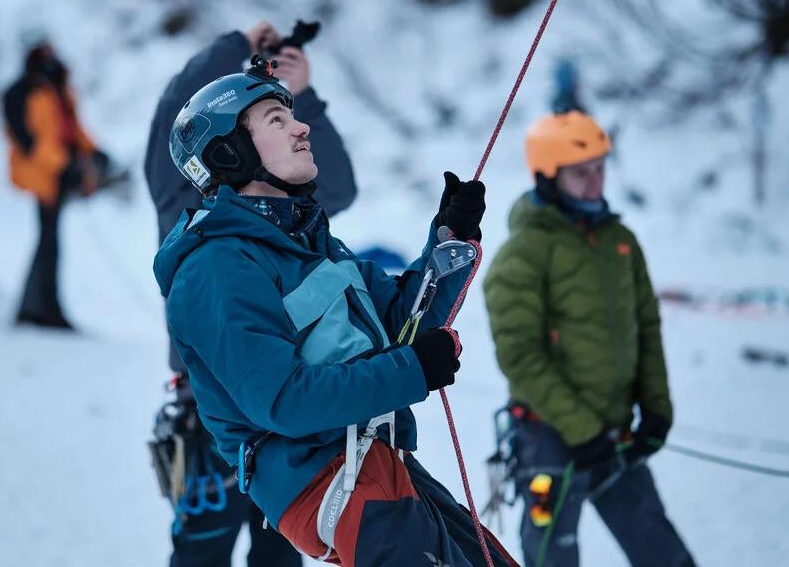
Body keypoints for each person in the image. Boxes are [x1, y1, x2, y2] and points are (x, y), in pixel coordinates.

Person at [151, 55, 517, 567]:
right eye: (276, 120)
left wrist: (450, 241)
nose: (302, 127)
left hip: (378, 459)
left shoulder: (313, 244)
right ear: (227, 154)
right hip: (323, 479)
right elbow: (283, 399)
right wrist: (413, 368)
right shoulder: (215, 268)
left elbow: (400, 325)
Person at [144, 20, 358, 567]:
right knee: (202, 551)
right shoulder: (184, 192)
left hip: (291, 419)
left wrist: (301, 96)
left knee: (279, 559)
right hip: (211, 415)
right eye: (273, 119)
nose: (293, 129)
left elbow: (337, 187)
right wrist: (237, 43)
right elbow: (178, 104)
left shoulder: (288, 202)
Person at [481, 108, 696, 567]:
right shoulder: (524, 251)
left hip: (614, 431)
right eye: (581, 173)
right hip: (546, 437)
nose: (596, 182)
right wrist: (580, 430)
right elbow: (518, 354)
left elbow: (647, 326)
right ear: (548, 176)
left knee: (660, 547)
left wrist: (656, 409)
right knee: (550, 553)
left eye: (600, 168)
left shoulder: (619, 240)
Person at [3, 32, 124, 331]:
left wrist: (94, 151)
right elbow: (28, 141)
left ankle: (33, 308)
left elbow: (71, 128)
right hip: (42, 176)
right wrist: (65, 163)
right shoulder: (19, 93)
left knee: (49, 240)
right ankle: (45, 309)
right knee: (49, 241)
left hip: (59, 172)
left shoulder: (58, 85)